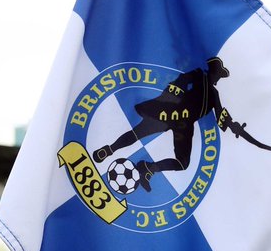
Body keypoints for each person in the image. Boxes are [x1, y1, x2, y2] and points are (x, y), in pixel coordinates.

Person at [91, 57, 230, 192]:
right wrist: (170, 100)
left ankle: (148, 168)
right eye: (218, 74)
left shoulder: (214, 95)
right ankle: (109, 149)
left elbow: (221, 120)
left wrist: (231, 124)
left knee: (182, 163)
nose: (218, 78)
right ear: (213, 72)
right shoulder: (199, 76)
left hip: (185, 125)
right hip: (170, 112)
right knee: (137, 133)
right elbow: (181, 81)